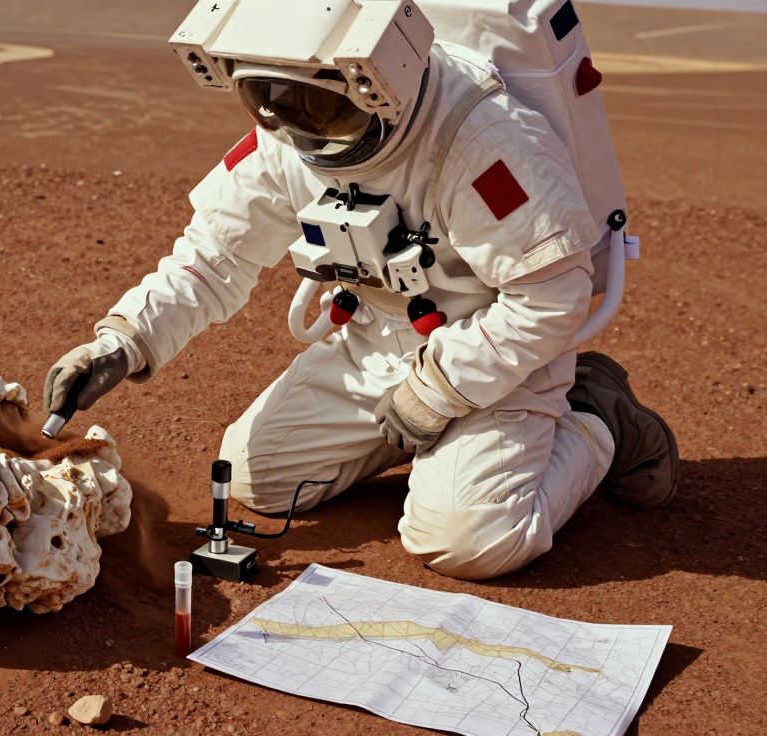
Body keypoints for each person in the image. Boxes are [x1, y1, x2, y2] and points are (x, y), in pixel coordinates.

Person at [43, 2, 677, 581]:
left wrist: (440, 390)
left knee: (468, 543)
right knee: (250, 477)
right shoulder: (290, 129)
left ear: (380, 86)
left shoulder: (482, 141)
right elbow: (215, 254)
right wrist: (124, 340)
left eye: (319, 107)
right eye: (267, 98)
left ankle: (597, 417)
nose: (295, 123)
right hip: (378, 342)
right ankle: (423, 442)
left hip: (494, 355)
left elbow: (550, 296)